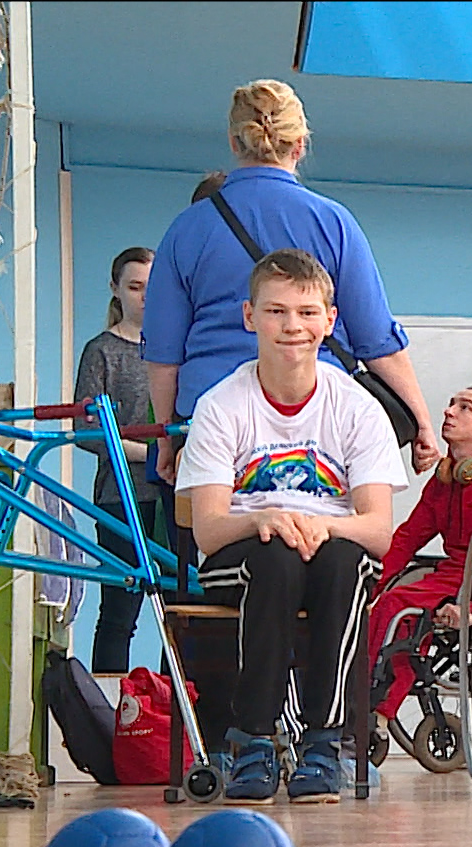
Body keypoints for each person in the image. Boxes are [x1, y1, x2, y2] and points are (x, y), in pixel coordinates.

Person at [178, 250, 406, 804]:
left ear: (329, 321)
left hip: (331, 545)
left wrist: (322, 527)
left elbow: (378, 529)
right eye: (277, 312)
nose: (292, 327)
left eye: (307, 313)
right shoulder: (220, 405)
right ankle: (253, 739)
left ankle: (324, 742)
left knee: (344, 562)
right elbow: (207, 529)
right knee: (276, 560)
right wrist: (264, 518)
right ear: (249, 317)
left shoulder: (357, 407)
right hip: (245, 546)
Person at [144, 78, 438, 490]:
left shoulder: (186, 229)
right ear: (299, 145)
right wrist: (421, 421)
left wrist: (167, 437)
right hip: (317, 420)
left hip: (213, 418)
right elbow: (377, 340)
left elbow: (163, 353)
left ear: (233, 142)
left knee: (216, 545)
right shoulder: (334, 223)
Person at [366, 388, 472, 734]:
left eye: (465, 408)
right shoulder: (446, 479)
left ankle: (377, 713)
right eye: (450, 403)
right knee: (384, 604)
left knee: (399, 604)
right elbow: (407, 538)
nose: (449, 411)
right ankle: (367, 705)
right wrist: (370, 582)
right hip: (454, 574)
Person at [73, 246, 158, 672]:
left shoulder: (174, 349)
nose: (145, 296)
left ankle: (173, 716)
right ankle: (110, 716)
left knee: (181, 610)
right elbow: (84, 432)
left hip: (173, 496)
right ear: (116, 289)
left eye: (152, 287)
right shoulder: (101, 351)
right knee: (120, 612)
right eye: (135, 286)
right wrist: (147, 454)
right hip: (120, 497)